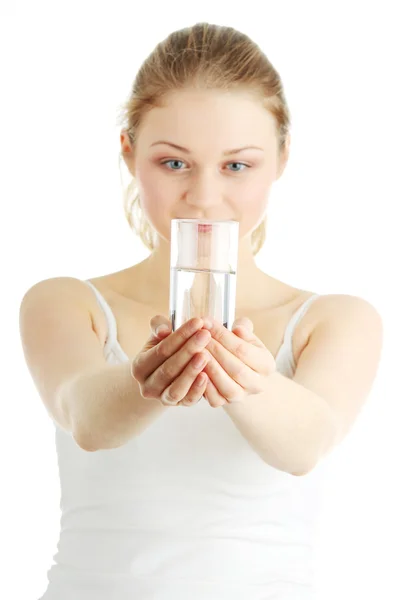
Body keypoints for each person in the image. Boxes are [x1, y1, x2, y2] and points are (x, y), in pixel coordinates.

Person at [19, 22, 383, 600]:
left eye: (237, 165)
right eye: (173, 163)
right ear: (130, 152)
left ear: (282, 158)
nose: (205, 196)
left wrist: (249, 379)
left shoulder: (335, 319)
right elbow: (84, 416)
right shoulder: (65, 302)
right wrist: (152, 376)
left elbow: (305, 443)